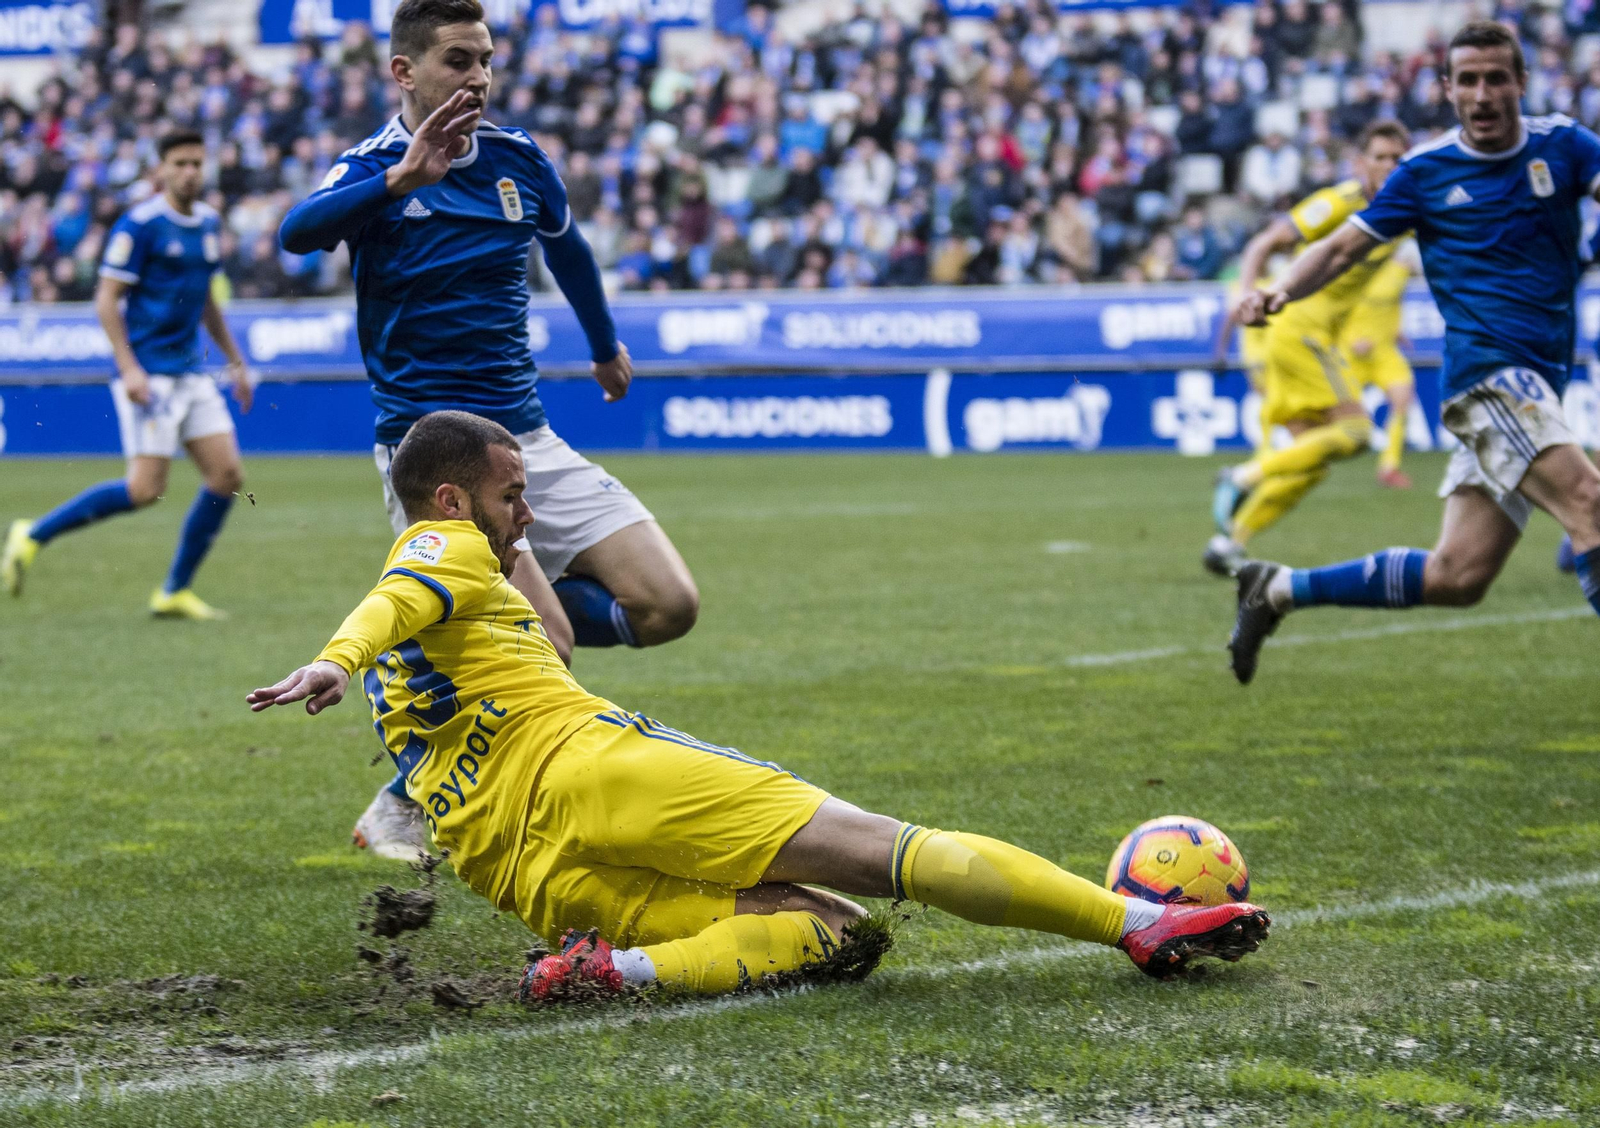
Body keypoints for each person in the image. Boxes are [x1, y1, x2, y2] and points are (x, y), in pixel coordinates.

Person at [247, 411, 1272, 1000]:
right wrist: (335, 659)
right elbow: (401, 589)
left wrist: (359, 673)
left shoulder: (445, 627)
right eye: (514, 495)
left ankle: (616, 974)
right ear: (452, 499)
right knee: (879, 848)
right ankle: (1136, 922)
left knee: (835, 933)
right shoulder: (446, 544)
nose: (529, 513)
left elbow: (434, 618)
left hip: (523, 873)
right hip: (588, 772)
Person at [277, 0, 700, 859]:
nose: (477, 77)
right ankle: (406, 796)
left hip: (526, 438)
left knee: (667, 607)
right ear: (406, 72)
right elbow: (293, 236)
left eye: (485, 61)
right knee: (549, 645)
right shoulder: (371, 169)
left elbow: (569, 249)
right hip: (431, 452)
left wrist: (605, 345)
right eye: (458, 61)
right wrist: (401, 181)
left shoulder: (518, 159)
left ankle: (439, 633)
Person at [1227, 22, 1600, 685]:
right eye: (1469, 81)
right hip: (1489, 381)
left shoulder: (1565, 146)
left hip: (1538, 383)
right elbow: (1342, 246)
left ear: (1521, 82)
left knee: (1457, 575)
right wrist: (1278, 289)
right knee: (1589, 505)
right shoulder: (1424, 173)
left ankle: (1277, 588)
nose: (1483, 94)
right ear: (1448, 89)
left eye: (1496, 78)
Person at [2, 129, 251, 619]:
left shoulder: (207, 222)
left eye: (197, 163)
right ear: (159, 168)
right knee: (144, 490)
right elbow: (106, 299)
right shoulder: (139, 225)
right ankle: (32, 534)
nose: (189, 172)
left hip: (190, 371)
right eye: (179, 163)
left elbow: (206, 303)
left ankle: (173, 591)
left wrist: (235, 360)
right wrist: (129, 367)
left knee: (226, 475)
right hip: (150, 375)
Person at [1205, 121, 1410, 579]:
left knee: (1312, 460)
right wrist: (1243, 292)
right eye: (1379, 157)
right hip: (1301, 332)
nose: (1389, 166)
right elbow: (1264, 243)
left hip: (1313, 338)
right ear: (1360, 163)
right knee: (1357, 433)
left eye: (1397, 158)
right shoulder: (1339, 203)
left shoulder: (1404, 209)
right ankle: (1240, 478)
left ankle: (1230, 541)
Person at [1340, 246, 1420, 490]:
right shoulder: (1352, 273)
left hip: (1383, 351)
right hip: (1351, 353)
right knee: (1340, 413)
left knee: (1403, 400)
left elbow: (1394, 302)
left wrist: (1396, 330)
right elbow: (1337, 311)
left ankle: (1389, 467)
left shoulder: (1399, 270)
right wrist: (1352, 339)